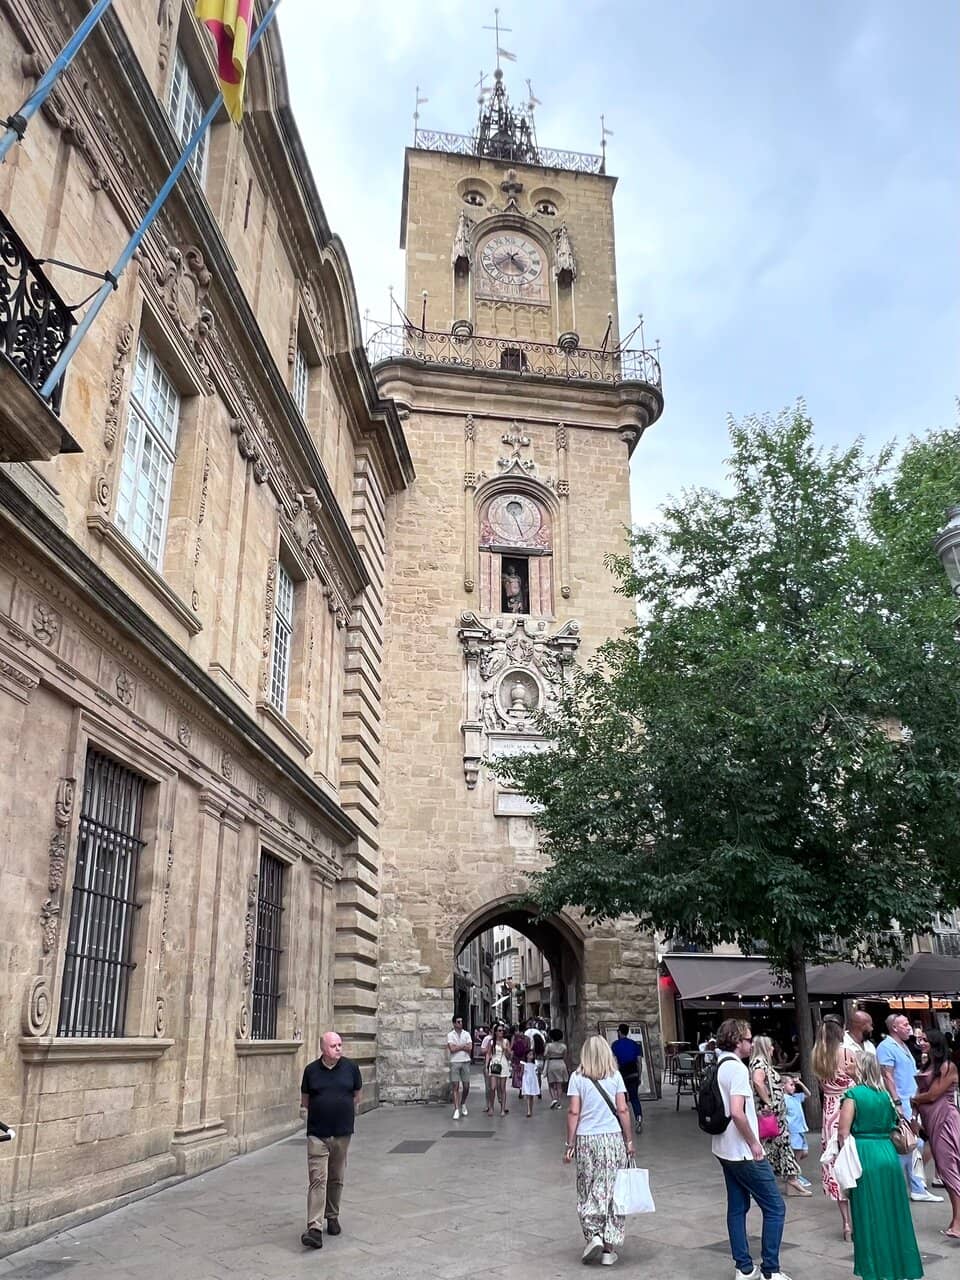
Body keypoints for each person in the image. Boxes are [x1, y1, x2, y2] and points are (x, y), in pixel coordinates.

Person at [711, 1018, 790, 1280]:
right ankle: (770, 1269)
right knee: (775, 1207)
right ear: (736, 1041)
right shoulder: (737, 1069)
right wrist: (754, 1143)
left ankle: (743, 1266)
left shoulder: (720, 1064)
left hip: (723, 1147)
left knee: (736, 1207)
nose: (751, 1042)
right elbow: (737, 1112)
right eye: (747, 1039)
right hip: (743, 1151)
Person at [838, 1051, 924, 1280]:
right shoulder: (885, 1096)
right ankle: (900, 1267)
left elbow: (843, 1133)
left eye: (851, 1062)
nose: (847, 1064)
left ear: (860, 1068)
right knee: (894, 1212)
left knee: (869, 1214)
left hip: (865, 1155)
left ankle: (875, 1269)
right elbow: (894, 1123)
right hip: (887, 1153)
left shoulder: (853, 1095)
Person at [564, 1034, 635, 1266]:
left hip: (586, 1139)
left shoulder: (577, 1077)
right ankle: (608, 1249)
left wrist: (570, 1143)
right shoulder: (615, 1076)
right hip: (612, 1139)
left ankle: (593, 1233)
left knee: (588, 1186)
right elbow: (623, 1110)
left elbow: (574, 1112)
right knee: (613, 1192)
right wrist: (629, 1140)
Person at [299, 1031, 362, 1248]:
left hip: (342, 1133)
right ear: (323, 1049)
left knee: (336, 1177)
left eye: (340, 1045)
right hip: (318, 1133)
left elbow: (356, 1095)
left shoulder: (351, 1068)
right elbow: (305, 1101)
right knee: (318, 1179)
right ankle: (314, 1227)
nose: (338, 1048)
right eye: (334, 1045)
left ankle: (332, 1216)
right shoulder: (311, 1071)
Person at [877, 1012, 943, 1203]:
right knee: (909, 1144)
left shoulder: (904, 1046)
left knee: (915, 1144)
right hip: (901, 1101)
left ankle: (915, 1186)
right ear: (894, 1027)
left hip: (910, 1100)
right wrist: (897, 1102)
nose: (909, 1027)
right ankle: (903, 1185)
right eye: (905, 1024)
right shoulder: (886, 1047)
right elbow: (887, 1075)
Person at [812, 1014, 859, 1239]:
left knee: (833, 1161)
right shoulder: (847, 1053)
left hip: (829, 1111)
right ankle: (859, 1217)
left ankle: (846, 1223)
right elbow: (859, 1081)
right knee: (853, 1159)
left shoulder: (818, 1056)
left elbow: (823, 1086)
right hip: (848, 1106)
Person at [911, 1027, 960, 1239]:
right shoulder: (928, 1064)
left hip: (945, 1120)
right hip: (931, 1121)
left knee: (949, 1170)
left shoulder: (948, 1066)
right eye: (921, 1039)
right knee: (944, 1169)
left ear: (935, 1044)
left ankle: (958, 1222)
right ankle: (956, 1219)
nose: (921, 1042)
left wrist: (914, 1101)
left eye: (926, 1040)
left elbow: (932, 1095)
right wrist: (914, 1113)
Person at [749, 1035, 810, 1196]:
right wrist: (768, 1101)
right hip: (771, 1113)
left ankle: (791, 1180)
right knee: (772, 1147)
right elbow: (757, 1081)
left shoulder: (761, 1063)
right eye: (770, 1046)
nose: (773, 1049)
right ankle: (772, 1180)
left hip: (776, 1115)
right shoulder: (759, 1063)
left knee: (782, 1146)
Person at [611, 1023, 643, 1132]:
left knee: (621, 1100)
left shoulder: (615, 1045)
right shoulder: (635, 1044)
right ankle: (638, 1118)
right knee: (634, 1098)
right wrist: (639, 1075)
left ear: (619, 1032)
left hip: (621, 1075)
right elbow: (639, 1061)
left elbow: (614, 1062)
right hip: (633, 1073)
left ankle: (622, 1123)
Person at [447, 1014, 473, 1120]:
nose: (461, 1023)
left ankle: (463, 1103)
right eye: (458, 1022)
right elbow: (451, 1049)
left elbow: (470, 1048)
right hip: (455, 1062)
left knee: (466, 1086)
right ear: (454, 1024)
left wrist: (458, 1047)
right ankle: (456, 1109)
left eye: (461, 1021)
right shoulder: (450, 1035)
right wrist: (463, 1046)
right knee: (455, 1086)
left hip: (465, 1061)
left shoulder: (466, 1034)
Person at [782, 1077, 810, 1175]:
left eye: (794, 1085)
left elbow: (808, 1094)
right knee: (797, 1152)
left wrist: (800, 1083)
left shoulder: (796, 1097)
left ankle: (792, 1170)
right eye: (791, 1085)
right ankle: (794, 1175)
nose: (793, 1087)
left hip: (800, 1128)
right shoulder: (783, 1098)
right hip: (793, 1129)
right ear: (783, 1086)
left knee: (804, 1152)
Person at [485, 1024, 511, 1115]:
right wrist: (486, 1065)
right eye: (499, 1031)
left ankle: (502, 1109)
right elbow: (488, 1054)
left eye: (502, 1031)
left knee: (502, 1088)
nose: (501, 1032)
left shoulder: (506, 1041)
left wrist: (507, 1049)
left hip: (503, 1063)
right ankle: (491, 1107)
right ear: (495, 1032)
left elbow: (509, 1056)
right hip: (494, 1064)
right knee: (492, 1087)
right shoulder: (491, 1042)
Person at [544, 1027, 569, 1108]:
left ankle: (553, 1099)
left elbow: (545, 1055)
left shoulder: (549, 1046)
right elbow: (565, 1056)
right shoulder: (563, 1046)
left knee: (551, 1083)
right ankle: (559, 1101)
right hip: (561, 1063)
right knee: (559, 1084)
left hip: (552, 1063)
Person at [521, 1041, 541, 1117]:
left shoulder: (535, 1063)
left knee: (531, 1095)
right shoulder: (523, 1063)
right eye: (529, 1054)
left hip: (533, 1079)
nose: (531, 1056)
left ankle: (530, 1110)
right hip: (526, 1079)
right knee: (528, 1095)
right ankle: (529, 1110)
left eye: (532, 1054)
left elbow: (537, 1071)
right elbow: (522, 1072)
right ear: (526, 1056)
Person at [511, 1024, 528, 1092]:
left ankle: (520, 1087)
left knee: (517, 1072)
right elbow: (529, 1048)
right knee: (523, 1072)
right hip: (524, 1058)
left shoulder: (514, 1037)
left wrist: (511, 1059)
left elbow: (512, 1048)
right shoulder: (527, 1038)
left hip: (516, 1058)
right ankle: (523, 1086)